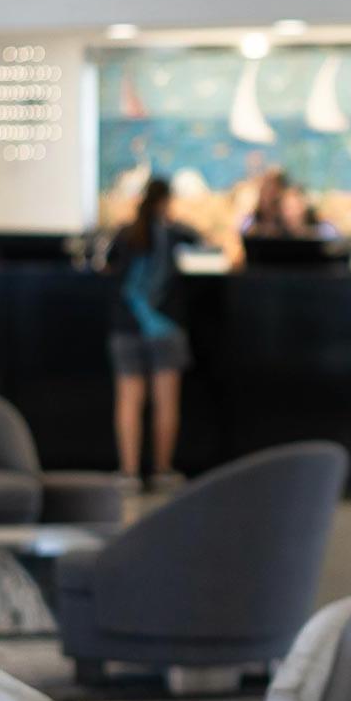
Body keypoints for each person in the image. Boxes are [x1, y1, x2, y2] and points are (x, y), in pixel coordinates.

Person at [103, 177, 201, 494]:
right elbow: (204, 243)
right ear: (166, 201)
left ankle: (129, 473)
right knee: (165, 403)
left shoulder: (124, 234)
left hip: (126, 328)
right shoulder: (174, 233)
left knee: (129, 401)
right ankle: (161, 470)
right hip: (165, 329)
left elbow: (107, 270)